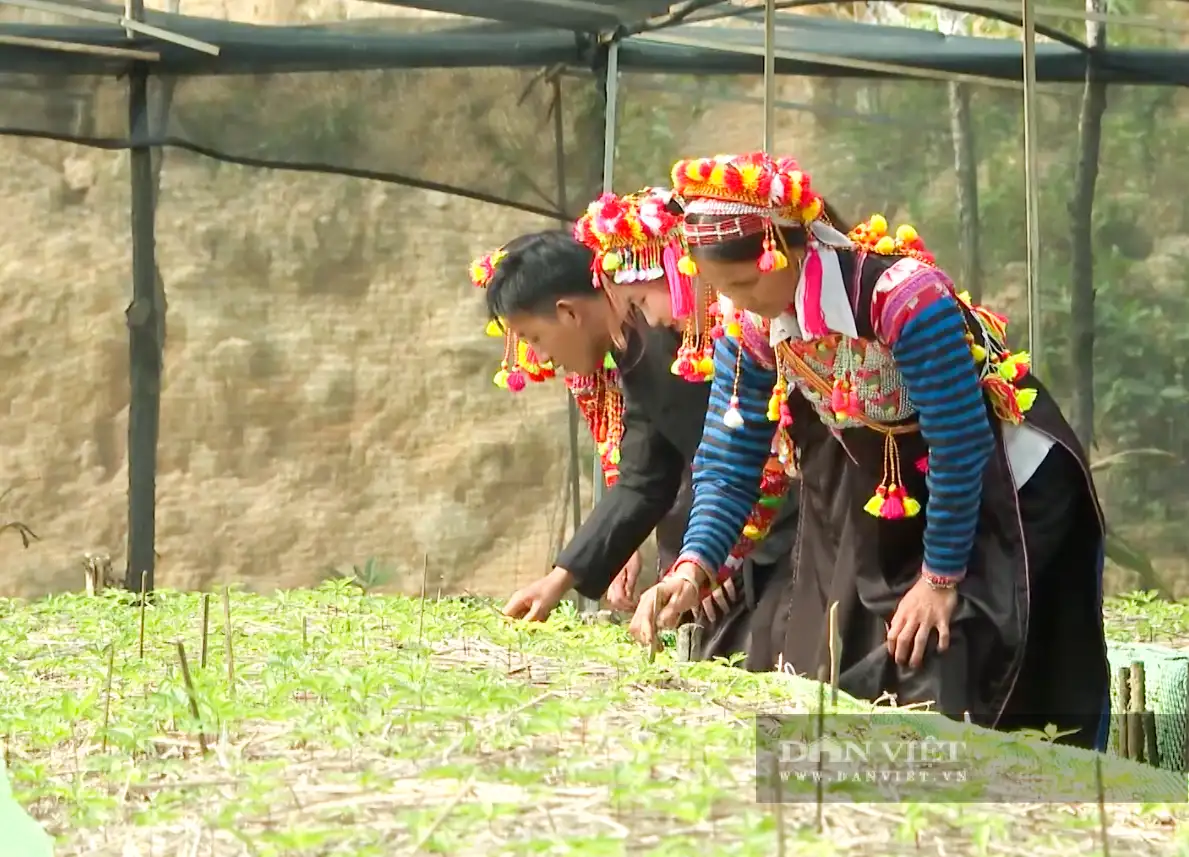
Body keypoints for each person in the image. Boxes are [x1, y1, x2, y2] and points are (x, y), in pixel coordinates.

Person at [629, 152, 1109, 750]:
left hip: (1009, 480)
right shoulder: (752, 328)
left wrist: (940, 577)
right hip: (906, 483)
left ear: (785, 246)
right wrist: (693, 566)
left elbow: (959, 442)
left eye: (746, 283)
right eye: (721, 290)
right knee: (877, 638)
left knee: (981, 637)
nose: (738, 303)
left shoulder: (902, 298)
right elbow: (731, 460)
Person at [471, 188, 800, 668]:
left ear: (568, 312)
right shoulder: (634, 351)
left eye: (535, 338)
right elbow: (645, 477)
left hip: (788, 525)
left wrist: (716, 557)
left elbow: (751, 451)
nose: (538, 357)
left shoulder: (691, 332)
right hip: (728, 534)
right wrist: (560, 580)